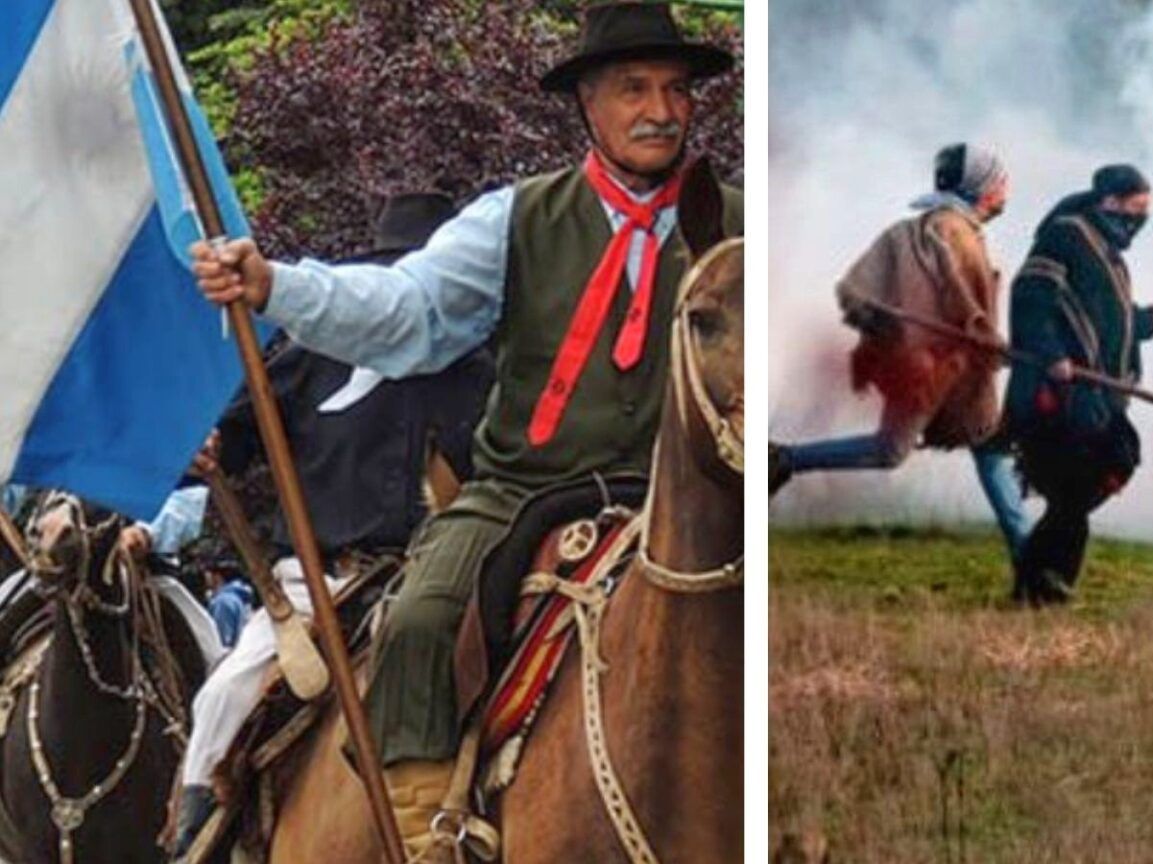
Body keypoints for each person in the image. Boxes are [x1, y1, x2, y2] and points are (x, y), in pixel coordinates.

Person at [187, 5, 741, 859]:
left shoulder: (738, 223)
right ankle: (420, 832)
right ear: (588, 103)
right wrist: (276, 287)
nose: (661, 110)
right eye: (634, 89)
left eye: (675, 90)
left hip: (680, 487)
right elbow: (407, 311)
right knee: (419, 617)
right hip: (524, 488)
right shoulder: (515, 218)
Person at [173, 192, 495, 855]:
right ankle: (194, 842)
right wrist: (206, 447)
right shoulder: (306, 356)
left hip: (449, 576)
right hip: (316, 582)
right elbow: (235, 436)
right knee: (224, 695)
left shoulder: (483, 369)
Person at [768, 143, 1030, 575]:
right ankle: (783, 461)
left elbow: (852, 293)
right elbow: (962, 301)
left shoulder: (915, 230)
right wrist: (980, 338)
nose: (1006, 188)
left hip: (943, 372)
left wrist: (889, 325)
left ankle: (1031, 556)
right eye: (1000, 181)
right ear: (982, 188)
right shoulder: (955, 234)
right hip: (936, 371)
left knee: (986, 444)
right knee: (898, 450)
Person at [1003, 164, 1153, 606]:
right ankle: (1044, 582)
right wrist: (1052, 354)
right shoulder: (1064, 237)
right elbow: (1031, 298)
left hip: (1096, 393)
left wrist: (1146, 322)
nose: (1140, 219)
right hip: (1059, 392)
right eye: (1136, 208)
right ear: (1110, 202)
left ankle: (1039, 579)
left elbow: (1105, 320)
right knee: (1078, 485)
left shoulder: (1108, 251)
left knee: (1103, 471)